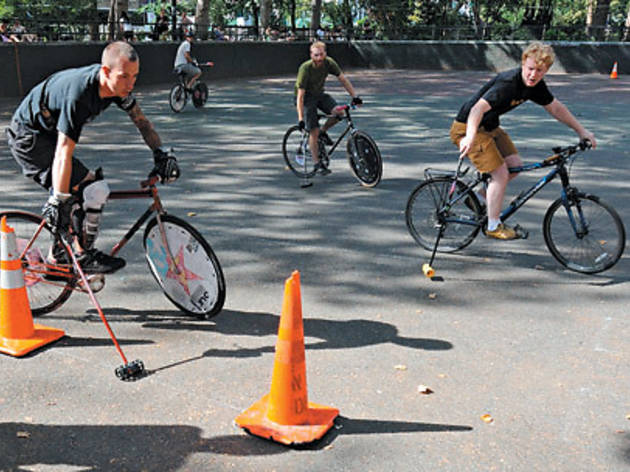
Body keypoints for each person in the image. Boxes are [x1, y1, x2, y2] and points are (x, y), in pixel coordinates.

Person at [5, 41, 179, 274]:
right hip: (29, 138)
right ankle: (78, 255)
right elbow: (63, 151)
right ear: (105, 71)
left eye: (135, 76)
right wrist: (58, 198)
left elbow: (142, 123)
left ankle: (61, 258)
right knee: (90, 190)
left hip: (48, 136)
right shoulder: (79, 94)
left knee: (88, 190)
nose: (131, 84)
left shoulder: (117, 89)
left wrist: (161, 153)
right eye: (124, 76)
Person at [450, 41, 596, 240]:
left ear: (546, 71)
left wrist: (582, 131)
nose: (533, 75)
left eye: (539, 70)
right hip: (468, 128)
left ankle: (478, 197)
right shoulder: (509, 83)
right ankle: (493, 225)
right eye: (530, 69)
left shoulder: (535, 86)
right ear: (523, 63)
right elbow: (476, 110)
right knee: (500, 173)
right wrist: (470, 136)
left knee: (514, 165)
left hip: (491, 127)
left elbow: (555, 108)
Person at [294, 41, 362, 175]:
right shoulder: (305, 68)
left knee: (340, 112)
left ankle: (323, 131)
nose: (319, 58)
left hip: (320, 94)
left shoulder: (329, 62)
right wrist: (301, 119)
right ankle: (316, 163)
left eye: (321, 55)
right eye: (316, 55)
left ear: (325, 53)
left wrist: (354, 96)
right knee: (313, 130)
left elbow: (343, 79)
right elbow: (300, 96)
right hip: (306, 98)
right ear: (311, 55)